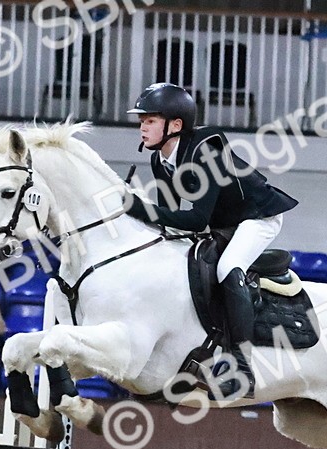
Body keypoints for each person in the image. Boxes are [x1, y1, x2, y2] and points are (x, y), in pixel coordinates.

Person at [124, 82, 298, 398]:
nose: (142, 127)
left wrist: (138, 208)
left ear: (174, 125)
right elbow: (168, 216)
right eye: (142, 121)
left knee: (228, 268)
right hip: (224, 222)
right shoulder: (160, 159)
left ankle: (242, 367)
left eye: (149, 120)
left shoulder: (205, 153)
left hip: (257, 217)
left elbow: (196, 220)